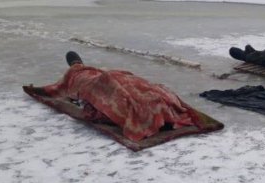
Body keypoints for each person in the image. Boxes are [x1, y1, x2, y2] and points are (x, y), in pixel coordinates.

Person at [41, 51, 205, 141]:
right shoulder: (76, 77)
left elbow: (58, 88)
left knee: (114, 81)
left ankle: (78, 66)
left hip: (96, 79)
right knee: (119, 82)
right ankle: (79, 66)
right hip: (99, 79)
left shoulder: (75, 79)